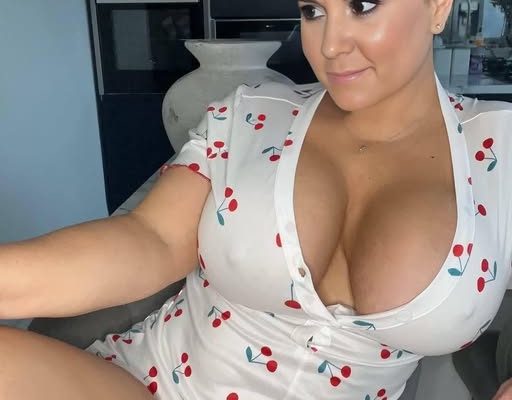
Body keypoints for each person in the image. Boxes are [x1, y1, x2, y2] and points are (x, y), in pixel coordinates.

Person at [1, 0, 512, 399]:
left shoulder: (500, 150)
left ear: (438, 6)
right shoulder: (250, 115)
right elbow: (150, 238)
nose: (330, 44)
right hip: (152, 387)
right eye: (313, 11)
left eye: (362, 5)